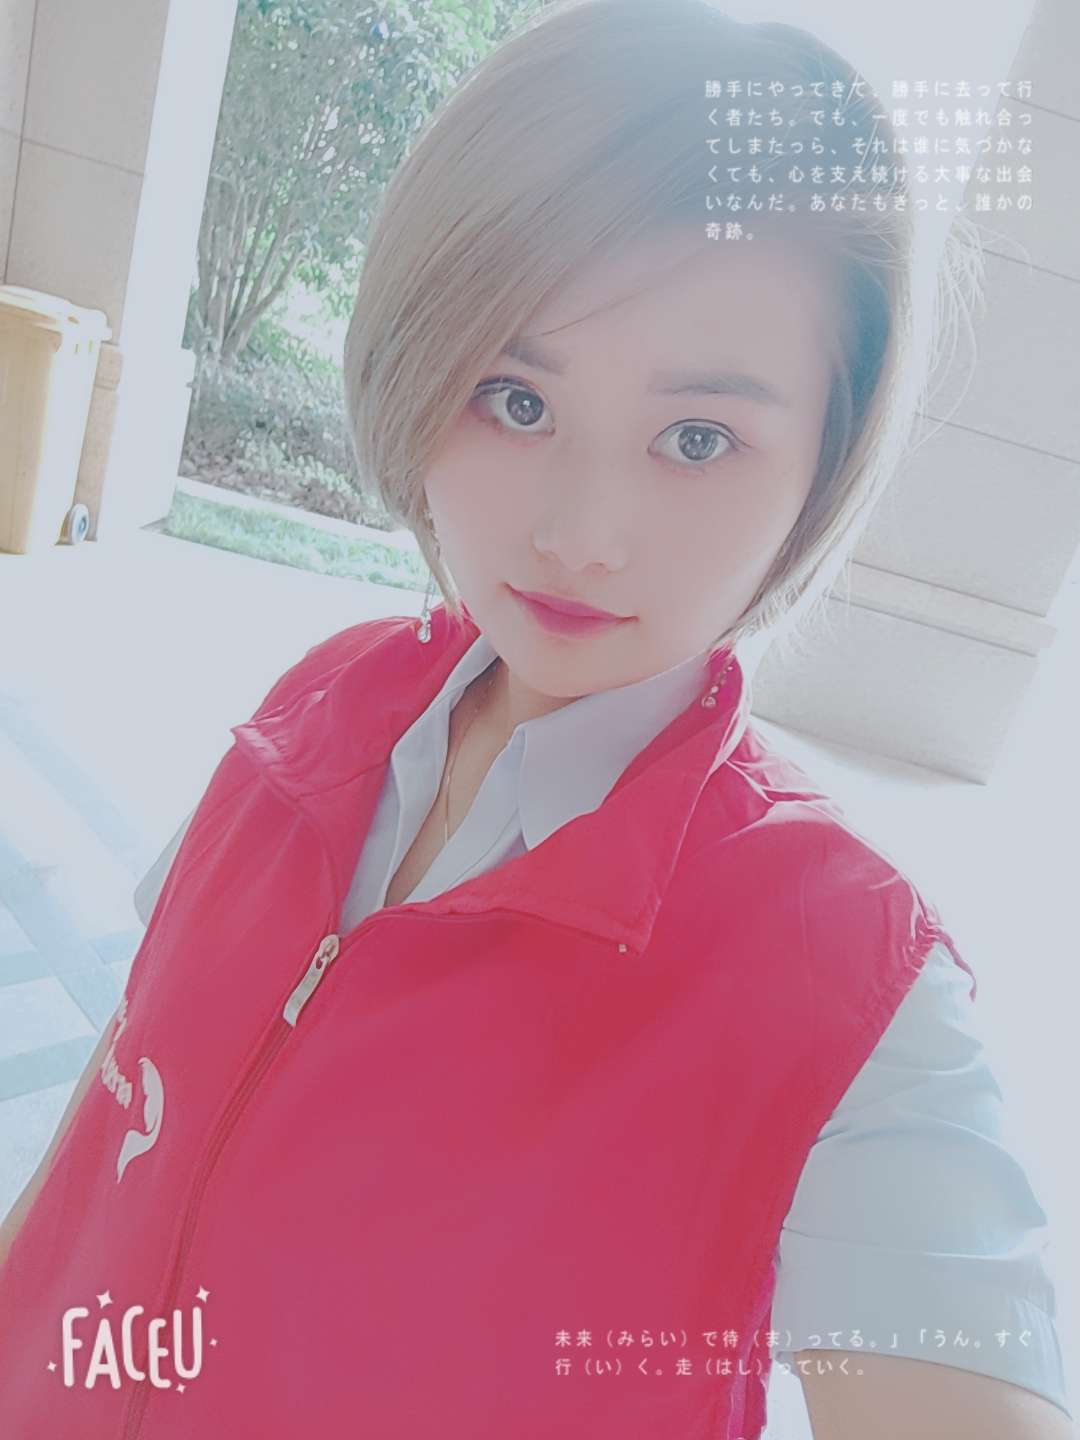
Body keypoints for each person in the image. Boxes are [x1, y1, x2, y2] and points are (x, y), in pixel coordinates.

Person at [0, 2, 1071, 1436]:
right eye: (513, 397)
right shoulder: (320, 707)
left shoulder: (848, 980)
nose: (579, 534)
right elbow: (116, 1112)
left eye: (699, 438)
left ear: (823, 462)